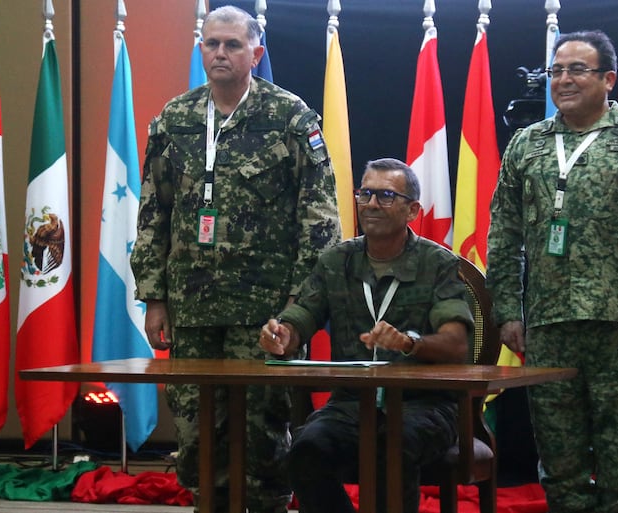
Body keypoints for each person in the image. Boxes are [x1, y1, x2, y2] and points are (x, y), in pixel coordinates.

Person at [130, 5, 341, 513]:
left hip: (265, 310)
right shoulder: (175, 118)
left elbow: (320, 219)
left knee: (262, 433)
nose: (220, 53)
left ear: (256, 53)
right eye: (211, 44)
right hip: (191, 307)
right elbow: (153, 212)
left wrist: (298, 307)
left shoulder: (291, 118)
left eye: (232, 45)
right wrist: (154, 297)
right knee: (197, 433)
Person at [486, 30, 618, 513]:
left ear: (609, 78)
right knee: (560, 466)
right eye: (556, 70)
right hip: (548, 326)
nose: (563, 80)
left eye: (577, 70)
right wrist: (507, 312)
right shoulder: (528, 145)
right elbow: (503, 235)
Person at [259, 158, 474, 513]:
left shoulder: (438, 264)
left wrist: (410, 343)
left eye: (386, 196)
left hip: (424, 404)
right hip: (351, 403)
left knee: (391, 444)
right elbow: (303, 314)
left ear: (413, 210)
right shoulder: (336, 261)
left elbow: (456, 344)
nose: (371, 204)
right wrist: (283, 332)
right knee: (305, 450)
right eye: (365, 194)